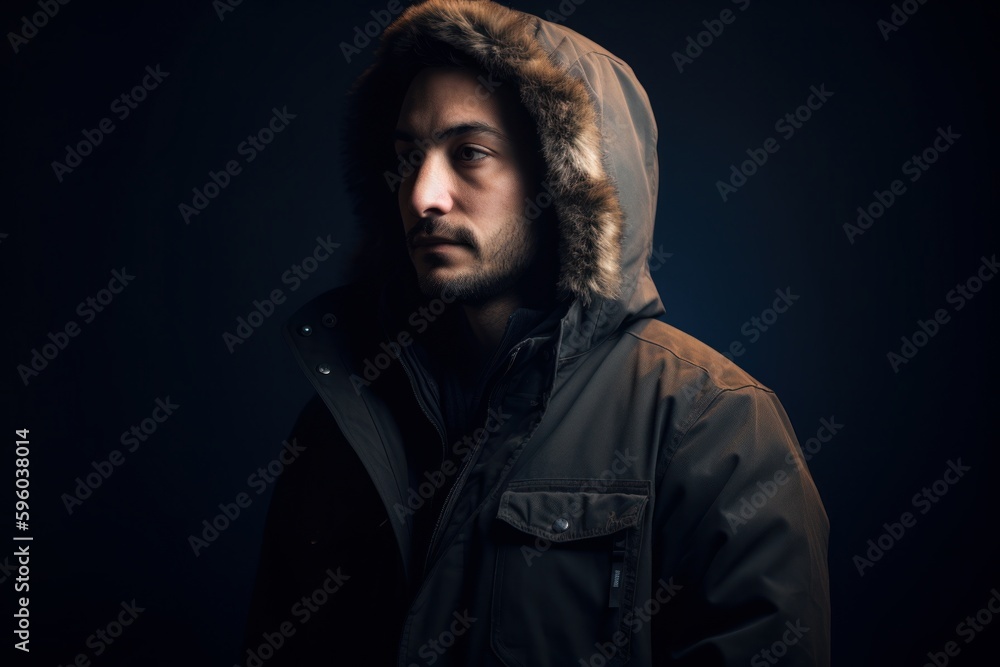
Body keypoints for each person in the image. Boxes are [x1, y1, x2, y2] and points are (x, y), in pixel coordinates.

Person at [242, 1, 830, 665]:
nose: (423, 194)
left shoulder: (714, 427)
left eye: (470, 154)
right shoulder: (338, 426)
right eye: (408, 158)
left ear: (563, 180)